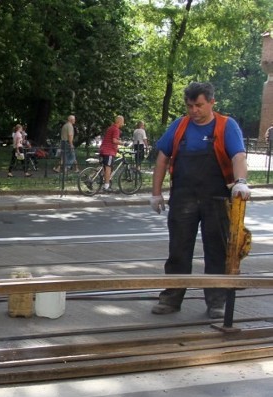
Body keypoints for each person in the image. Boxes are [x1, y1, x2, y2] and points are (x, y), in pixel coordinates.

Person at [149, 81, 250, 319]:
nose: (194, 111)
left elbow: (238, 155)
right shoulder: (180, 126)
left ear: (212, 103)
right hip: (183, 197)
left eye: (199, 105)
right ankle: (171, 299)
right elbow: (162, 158)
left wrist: (241, 181)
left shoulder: (227, 125)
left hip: (216, 198)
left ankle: (217, 301)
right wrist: (156, 193)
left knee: (216, 250)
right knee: (178, 250)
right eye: (190, 105)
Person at [99, 115, 124, 191]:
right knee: (108, 168)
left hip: (103, 149)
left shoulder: (110, 128)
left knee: (105, 167)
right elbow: (114, 140)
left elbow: (109, 140)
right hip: (108, 151)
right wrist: (122, 143)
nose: (123, 123)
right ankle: (106, 186)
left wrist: (116, 149)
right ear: (119, 121)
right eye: (123, 121)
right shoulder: (116, 129)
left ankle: (99, 180)